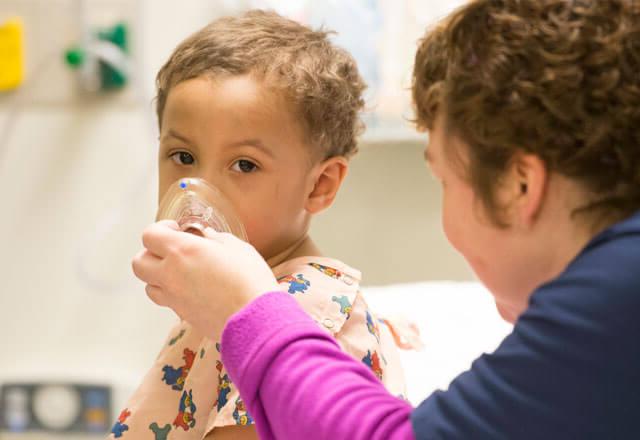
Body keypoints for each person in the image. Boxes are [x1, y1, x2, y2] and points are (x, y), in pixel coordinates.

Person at [132, 0, 640, 438]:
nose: (200, 188)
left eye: (443, 178)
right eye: (181, 157)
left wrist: (247, 310)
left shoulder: (619, 299)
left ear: (519, 187)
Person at [114, 10, 415, 440]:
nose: (200, 192)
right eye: (183, 157)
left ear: (320, 185)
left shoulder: (302, 308)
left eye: (244, 165)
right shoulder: (217, 294)